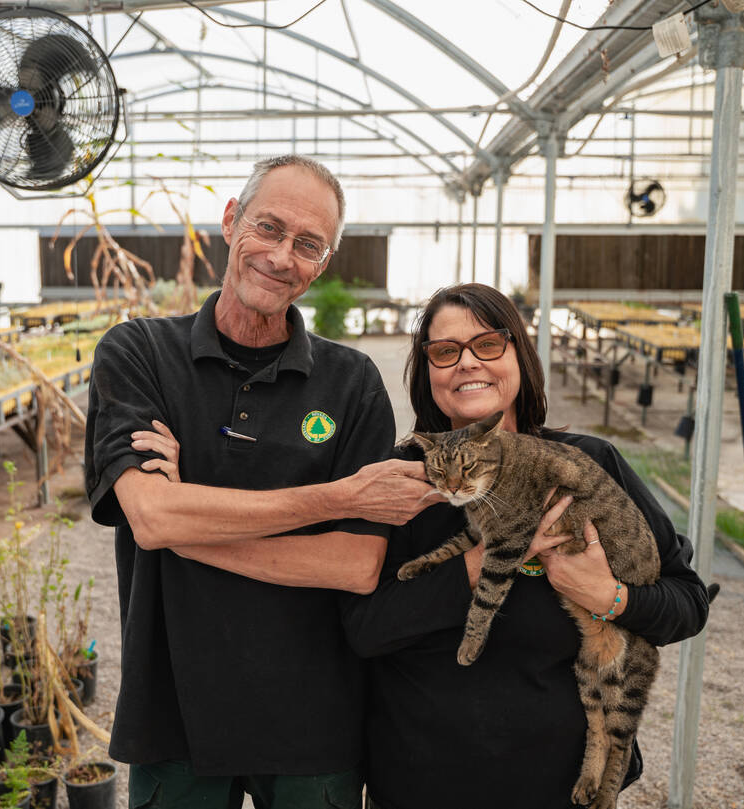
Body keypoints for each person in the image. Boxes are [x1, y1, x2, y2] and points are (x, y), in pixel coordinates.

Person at [84, 154, 435, 809]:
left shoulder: (352, 383)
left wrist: (189, 529)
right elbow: (151, 516)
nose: (281, 255)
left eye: (308, 243)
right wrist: (337, 497)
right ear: (230, 220)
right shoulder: (137, 355)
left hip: (312, 724)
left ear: (324, 260)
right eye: (268, 227)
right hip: (174, 714)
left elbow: (357, 564)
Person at [339, 283, 712, 809]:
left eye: (488, 344)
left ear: (521, 354)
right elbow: (363, 629)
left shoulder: (589, 464)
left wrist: (606, 594)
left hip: (558, 791)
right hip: (420, 786)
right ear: (427, 373)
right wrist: (479, 564)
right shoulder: (399, 481)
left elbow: (688, 603)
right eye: (445, 352)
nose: (467, 363)